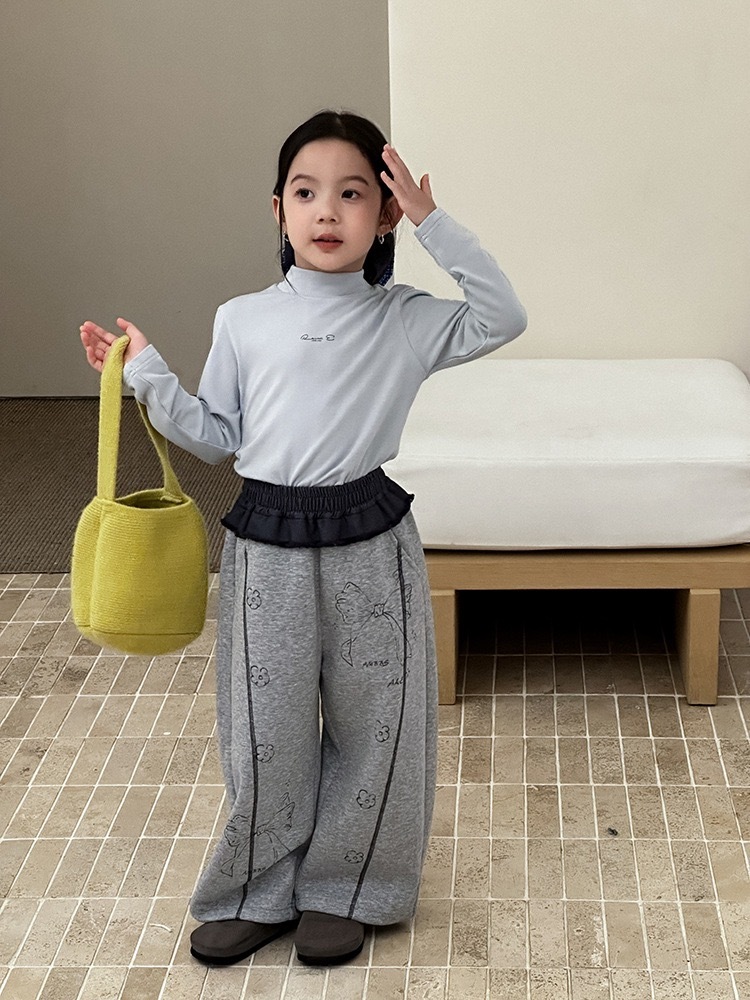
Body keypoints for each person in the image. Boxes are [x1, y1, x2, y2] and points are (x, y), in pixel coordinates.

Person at [79, 109, 527, 967]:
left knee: (379, 724)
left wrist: (434, 222)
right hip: (267, 543)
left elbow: (503, 316)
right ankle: (257, 890)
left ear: (384, 215)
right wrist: (147, 373)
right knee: (265, 728)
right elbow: (216, 437)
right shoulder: (243, 319)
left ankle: (349, 890)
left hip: (372, 542)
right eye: (306, 192)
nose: (327, 211)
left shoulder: (405, 319)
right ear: (278, 209)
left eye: (353, 194)